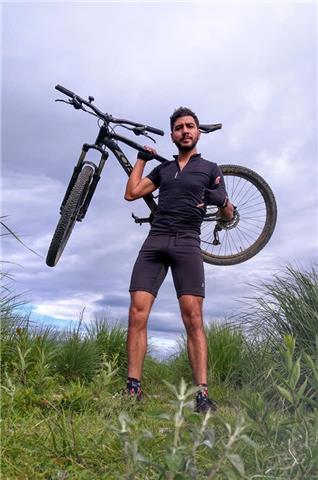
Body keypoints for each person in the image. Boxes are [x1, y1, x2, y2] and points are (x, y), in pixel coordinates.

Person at [124, 107, 234, 412]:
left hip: (187, 243)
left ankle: (202, 395)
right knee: (137, 313)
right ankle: (133, 388)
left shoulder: (210, 169)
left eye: (189, 126)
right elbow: (132, 193)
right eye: (178, 128)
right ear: (172, 135)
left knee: (193, 318)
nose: (185, 131)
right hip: (155, 242)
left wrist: (223, 201)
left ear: (197, 132)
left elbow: (228, 213)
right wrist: (142, 159)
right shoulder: (164, 170)